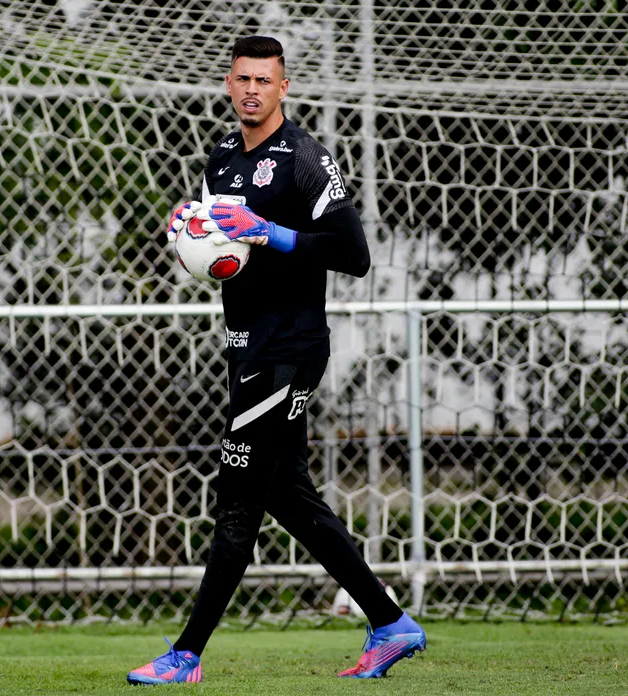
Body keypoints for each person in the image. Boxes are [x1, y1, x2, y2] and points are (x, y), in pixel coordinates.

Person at [125, 35, 426, 685]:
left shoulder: (304, 158)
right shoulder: (221, 158)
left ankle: (187, 655)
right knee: (287, 495)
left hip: (290, 348)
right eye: (243, 79)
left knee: (238, 501)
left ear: (283, 87)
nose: (252, 90)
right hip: (246, 347)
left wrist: (271, 233)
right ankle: (390, 623)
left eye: (264, 80)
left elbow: (353, 254)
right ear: (228, 84)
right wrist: (189, 232)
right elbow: (219, 251)